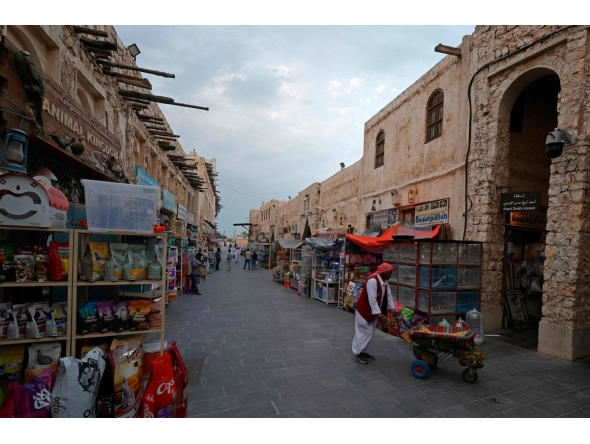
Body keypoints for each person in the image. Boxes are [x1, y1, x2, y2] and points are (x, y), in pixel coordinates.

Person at [351, 263, 395, 364]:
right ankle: (358, 352)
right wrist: (378, 313)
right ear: (383, 273)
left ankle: (363, 351)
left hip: (373, 311)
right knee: (364, 332)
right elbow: (372, 299)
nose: (390, 275)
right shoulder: (372, 281)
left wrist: (393, 309)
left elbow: (388, 296)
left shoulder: (384, 282)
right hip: (365, 310)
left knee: (369, 332)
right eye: (389, 273)